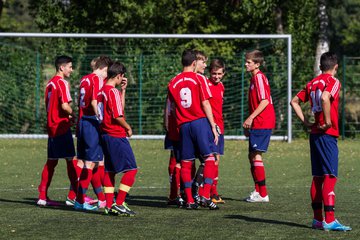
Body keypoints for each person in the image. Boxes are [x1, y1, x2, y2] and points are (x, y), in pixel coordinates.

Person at [290, 52, 351, 231]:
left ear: (320, 66)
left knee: (317, 177)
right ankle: (330, 220)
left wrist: (306, 122)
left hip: (315, 134)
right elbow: (325, 97)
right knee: (330, 176)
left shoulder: (312, 83)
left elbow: (294, 101)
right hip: (326, 133)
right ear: (335, 67)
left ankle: (317, 220)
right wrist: (327, 121)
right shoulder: (333, 81)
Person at [168, 49, 219, 210]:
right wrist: (213, 125)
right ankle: (204, 195)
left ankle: (189, 200)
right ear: (194, 63)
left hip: (183, 125)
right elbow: (205, 103)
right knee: (210, 159)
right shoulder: (199, 79)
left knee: (186, 163)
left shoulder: (173, 81)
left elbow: (173, 107)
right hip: (199, 122)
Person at [37, 55, 78, 206]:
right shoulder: (62, 83)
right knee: (71, 161)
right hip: (61, 126)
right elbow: (64, 106)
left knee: (52, 162)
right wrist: (74, 116)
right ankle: (73, 196)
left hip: (52, 127)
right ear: (62, 67)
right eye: (70, 67)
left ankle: (42, 197)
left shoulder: (50, 83)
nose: (71, 70)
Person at [98, 61, 138, 216]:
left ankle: (109, 205)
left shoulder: (102, 91)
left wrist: (124, 90)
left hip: (105, 135)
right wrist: (127, 127)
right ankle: (119, 203)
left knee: (110, 171)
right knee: (131, 170)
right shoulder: (111, 92)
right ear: (119, 75)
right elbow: (118, 116)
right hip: (115, 134)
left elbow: (118, 108)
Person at [73, 56, 112, 211]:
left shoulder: (85, 79)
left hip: (83, 122)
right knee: (90, 163)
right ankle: (79, 200)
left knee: (92, 162)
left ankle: (99, 198)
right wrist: (101, 119)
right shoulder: (96, 79)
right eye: (107, 72)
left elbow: (80, 102)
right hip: (91, 122)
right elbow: (94, 101)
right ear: (104, 68)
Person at [242, 50, 275, 203]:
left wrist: (251, 117)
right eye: (246, 61)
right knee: (251, 156)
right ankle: (258, 191)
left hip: (263, 121)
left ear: (257, 64)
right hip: (257, 122)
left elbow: (265, 101)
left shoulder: (260, 78)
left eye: (249, 62)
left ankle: (263, 194)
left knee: (256, 155)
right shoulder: (254, 79)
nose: (246, 64)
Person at [207, 59, 226, 204]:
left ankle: (213, 191)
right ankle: (210, 192)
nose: (216, 76)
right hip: (210, 127)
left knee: (216, 159)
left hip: (220, 127)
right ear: (210, 72)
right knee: (211, 159)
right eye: (214, 73)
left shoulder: (221, 86)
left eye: (219, 74)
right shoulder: (205, 85)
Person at [164, 93, 183, 207]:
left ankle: (174, 194)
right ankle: (181, 194)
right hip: (183, 125)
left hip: (174, 124)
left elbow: (168, 103)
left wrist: (166, 120)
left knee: (175, 157)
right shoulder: (196, 81)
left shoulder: (175, 82)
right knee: (184, 159)